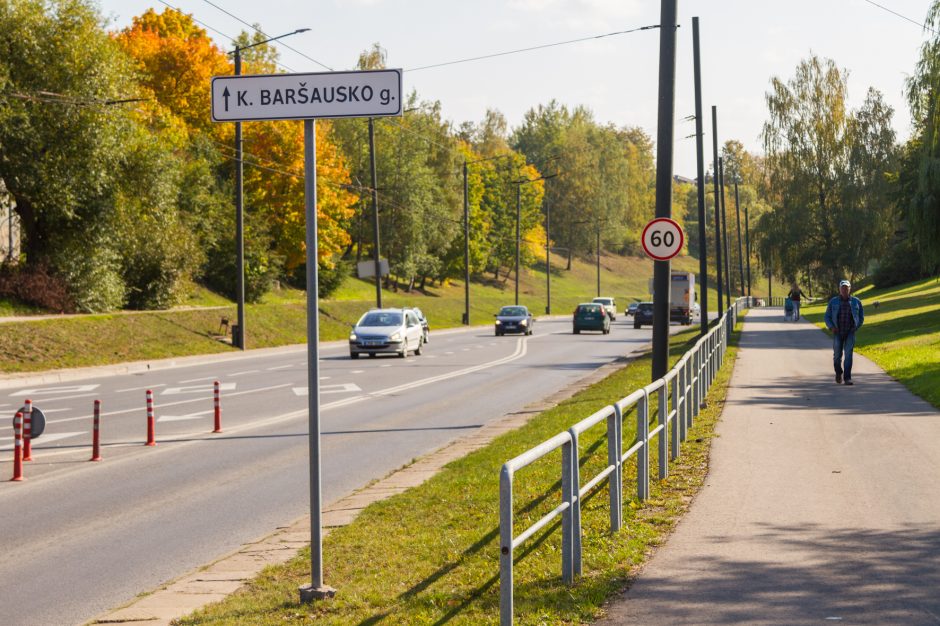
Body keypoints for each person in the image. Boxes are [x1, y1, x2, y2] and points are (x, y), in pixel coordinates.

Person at [824, 279, 864, 386]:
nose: (844, 290)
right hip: (837, 331)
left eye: (846, 288)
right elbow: (827, 316)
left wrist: (856, 327)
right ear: (839, 289)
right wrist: (831, 327)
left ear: (849, 289)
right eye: (842, 288)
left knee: (848, 354)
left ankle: (847, 378)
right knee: (837, 355)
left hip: (850, 332)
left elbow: (861, 317)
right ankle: (838, 372)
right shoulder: (833, 301)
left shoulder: (856, 302)